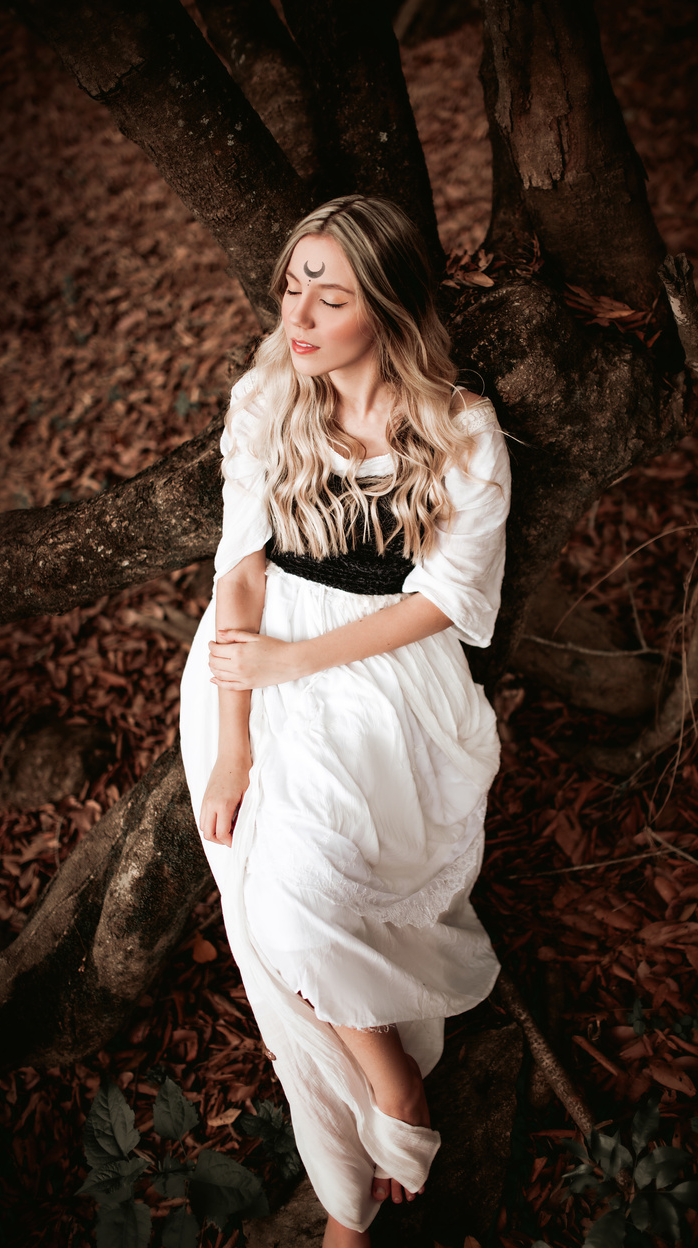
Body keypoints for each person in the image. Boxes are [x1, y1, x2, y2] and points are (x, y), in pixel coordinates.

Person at [179, 194, 511, 1247]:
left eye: (333, 293)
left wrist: (300, 660)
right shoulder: (266, 399)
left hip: (383, 670)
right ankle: (370, 1139)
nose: (301, 314)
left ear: (390, 307)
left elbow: (448, 596)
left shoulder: (458, 427)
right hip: (246, 670)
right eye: (292, 286)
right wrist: (235, 740)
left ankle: (384, 1114)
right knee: (267, 916)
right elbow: (239, 575)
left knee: (294, 902)